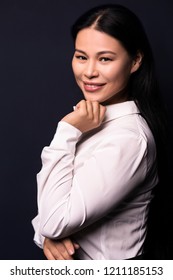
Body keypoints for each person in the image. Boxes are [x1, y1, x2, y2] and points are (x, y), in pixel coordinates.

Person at [32, 4, 169, 260]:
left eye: (105, 58)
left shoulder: (128, 139)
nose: (89, 72)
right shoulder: (90, 121)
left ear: (135, 61)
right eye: (81, 57)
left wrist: (66, 130)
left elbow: (53, 220)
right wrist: (46, 235)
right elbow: (51, 211)